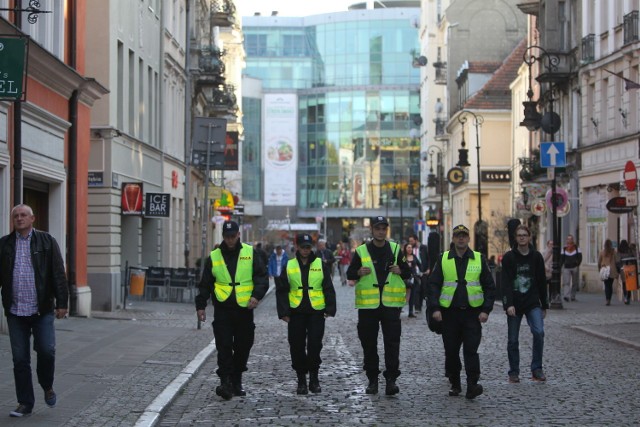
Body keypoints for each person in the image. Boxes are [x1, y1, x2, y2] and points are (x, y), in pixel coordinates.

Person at [0, 204, 69, 417]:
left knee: (46, 351)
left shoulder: (47, 242)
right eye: (16, 216)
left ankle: (47, 386)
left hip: (42, 310)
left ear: (32, 219)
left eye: (23, 215)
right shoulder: (4, 244)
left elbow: (58, 273)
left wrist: (62, 303)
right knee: (20, 359)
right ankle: (25, 403)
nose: (19, 219)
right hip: (15, 311)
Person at [195, 220, 269, 400]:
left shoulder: (250, 253)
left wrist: (256, 296)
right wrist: (201, 305)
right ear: (223, 237)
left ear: (238, 236)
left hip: (244, 309)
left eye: (232, 236)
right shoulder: (214, 256)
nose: (229, 240)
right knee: (224, 346)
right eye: (227, 237)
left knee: (244, 345)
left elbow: (262, 277)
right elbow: (205, 284)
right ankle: (226, 382)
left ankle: (237, 378)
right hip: (223, 309)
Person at [426, 224, 495, 400]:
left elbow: (489, 286)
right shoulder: (443, 259)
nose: (461, 238)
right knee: (451, 350)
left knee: (471, 350)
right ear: (453, 239)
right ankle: (455, 383)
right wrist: (434, 308)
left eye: (464, 235)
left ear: (469, 238)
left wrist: (486, 310)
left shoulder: (479, 259)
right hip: (450, 314)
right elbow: (433, 285)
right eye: (458, 236)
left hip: (472, 314)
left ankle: (472, 384)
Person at [346, 216, 411, 395]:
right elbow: (350, 273)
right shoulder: (361, 251)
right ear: (372, 231)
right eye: (378, 228)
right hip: (368, 307)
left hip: (390, 305)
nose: (381, 231)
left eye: (384, 228)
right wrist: (358, 272)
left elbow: (408, 272)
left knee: (392, 344)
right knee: (369, 344)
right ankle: (372, 379)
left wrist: (401, 270)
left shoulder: (396, 249)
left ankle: (391, 380)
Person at [276, 233, 336, 395]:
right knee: (296, 346)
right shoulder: (289, 265)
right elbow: (282, 290)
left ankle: (314, 378)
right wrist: (283, 312)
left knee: (315, 345)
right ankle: (301, 379)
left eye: (308, 247)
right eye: (302, 247)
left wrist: (330, 309)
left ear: (312, 248)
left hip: (316, 311)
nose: (305, 250)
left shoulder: (319, 264)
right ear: (297, 247)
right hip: (296, 312)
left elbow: (328, 286)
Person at [501, 225, 549, 383]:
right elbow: (506, 282)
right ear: (515, 238)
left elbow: (542, 281)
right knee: (513, 339)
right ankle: (513, 372)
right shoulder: (509, 257)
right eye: (519, 235)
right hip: (515, 303)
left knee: (539, 332)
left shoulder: (536, 257)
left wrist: (545, 305)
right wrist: (508, 304)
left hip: (532, 302)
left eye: (524, 235)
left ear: (529, 237)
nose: (522, 237)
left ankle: (537, 368)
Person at [407, 234, 429, 314]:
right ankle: (416, 307)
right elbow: (404, 259)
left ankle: (419, 306)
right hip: (413, 273)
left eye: (412, 241)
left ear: (416, 240)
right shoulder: (409, 250)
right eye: (409, 241)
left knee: (423, 289)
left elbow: (428, 258)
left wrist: (428, 269)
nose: (410, 243)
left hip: (423, 272)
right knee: (416, 290)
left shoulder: (424, 248)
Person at [598, 239, 620, 306]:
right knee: (610, 285)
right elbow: (617, 262)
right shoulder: (614, 252)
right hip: (612, 271)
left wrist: (599, 269)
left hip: (604, 270)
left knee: (606, 285)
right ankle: (609, 299)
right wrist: (618, 271)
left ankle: (607, 299)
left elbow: (599, 262)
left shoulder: (602, 252)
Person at [560, 234, 582, 302]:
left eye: (571, 239)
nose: (569, 240)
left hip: (574, 267)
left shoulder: (576, 248)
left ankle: (573, 296)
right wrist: (561, 266)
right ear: (566, 240)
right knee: (566, 282)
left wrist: (577, 263)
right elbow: (561, 259)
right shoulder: (564, 249)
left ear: (573, 240)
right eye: (568, 239)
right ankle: (566, 296)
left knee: (574, 282)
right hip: (566, 267)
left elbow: (580, 257)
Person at [403, 243, 422, 318]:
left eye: (411, 248)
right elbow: (401, 265)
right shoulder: (403, 257)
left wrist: (421, 272)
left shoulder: (414, 257)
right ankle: (399, 309)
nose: (410, 249)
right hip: (405, 278)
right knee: (403, 295)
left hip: (413, 278)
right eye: (408, 247)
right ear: (405, 248)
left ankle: (411, 312)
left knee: (412, 296)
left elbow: (419, 265)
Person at [617, 240, 634, 304]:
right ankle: (628, 297)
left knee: (624, 283)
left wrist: (619, 268)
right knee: (629, 283)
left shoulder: (619, 252)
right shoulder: (629, 251)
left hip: (623, 269)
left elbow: (618, 261)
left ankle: (625, 296)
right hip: (629, 269)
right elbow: (633, 259)